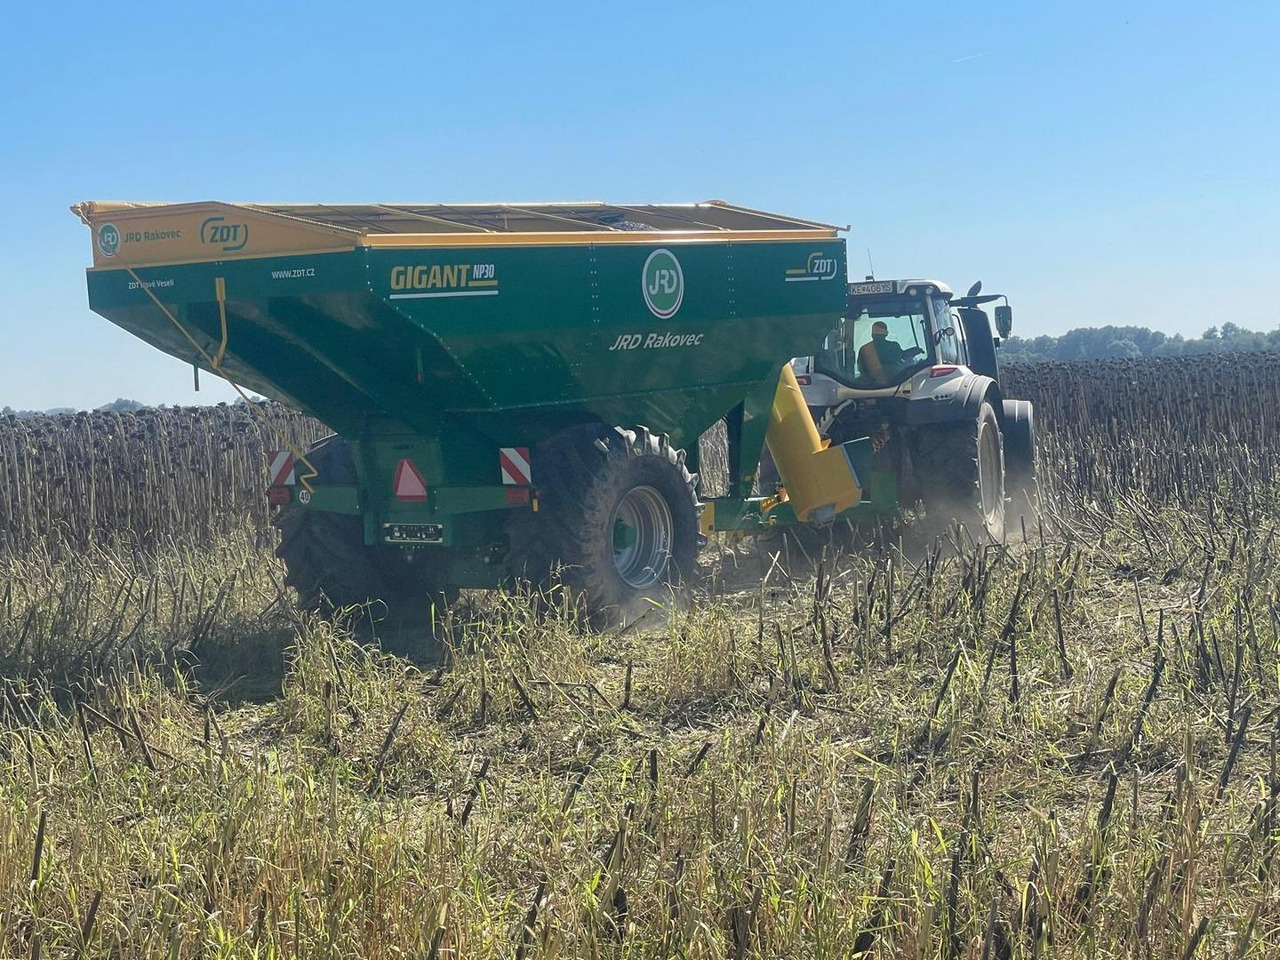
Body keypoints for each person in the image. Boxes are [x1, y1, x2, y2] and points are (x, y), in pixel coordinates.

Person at [858, 320, 908, 385]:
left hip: (869, 385)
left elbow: (861, 369)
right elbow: (903, 359)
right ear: (886, 334)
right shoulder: (893, 346)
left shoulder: (865, 349)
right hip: (895, 383)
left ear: (872, 334)